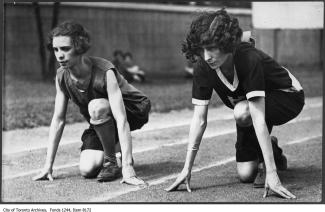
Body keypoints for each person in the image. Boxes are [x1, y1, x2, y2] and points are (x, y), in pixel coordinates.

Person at [165, 9, 304, 199]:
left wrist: (272, 174)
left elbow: (257, 117)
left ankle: (268, 162)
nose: (207, 56)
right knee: (245, 174)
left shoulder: (248, 58)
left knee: (242, 112)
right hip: (250, 106)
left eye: (212, 47)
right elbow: (199, 119)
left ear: (226, 44)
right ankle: (272, 148)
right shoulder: (204, 66)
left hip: (287, 95)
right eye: (202, 49)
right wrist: (186, 169)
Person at [33, 21, 151, 186]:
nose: (59, 55)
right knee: (87, 169)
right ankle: (116, 150)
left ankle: (113, 161)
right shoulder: (61, 77)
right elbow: (58, 120)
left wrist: (128, 167)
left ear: (79, 47)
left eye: (65, 49)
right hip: (102, 117)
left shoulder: (104, 71)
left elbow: (121, 119)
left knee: (96, 107)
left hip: (133, 109)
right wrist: (48, 166)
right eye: (56, 49)